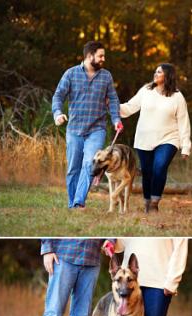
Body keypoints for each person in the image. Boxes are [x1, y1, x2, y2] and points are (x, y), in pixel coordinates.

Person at [52, 41, 124, 209]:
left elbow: (113, 100)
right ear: (89, 56)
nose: (103, 59)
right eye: (100, 55)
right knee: (73, 168)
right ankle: (72, 204)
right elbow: (58, 96)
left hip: (96, 129)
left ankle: (78, 203)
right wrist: (57, 113)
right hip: (74, 129)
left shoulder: (106, 76)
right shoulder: (70, 74)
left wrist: (116, 119)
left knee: (89, 164)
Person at [120, 64, 191, 213]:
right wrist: (113, 106)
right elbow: (130, 107)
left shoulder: (177, 96)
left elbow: (183, 121)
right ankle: (147, 201)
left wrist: (185, 145)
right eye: (155, 71)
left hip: (169, 138)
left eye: (159, 72)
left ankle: (154, 203)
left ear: (168, 76)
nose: (155, 73)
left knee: (160, 167)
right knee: (147, 171)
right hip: (144, 139)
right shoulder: (146, 90)